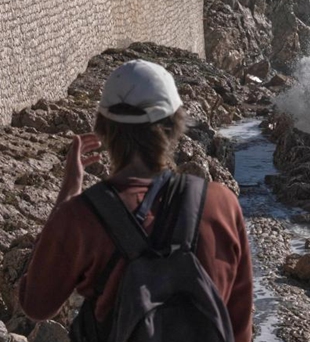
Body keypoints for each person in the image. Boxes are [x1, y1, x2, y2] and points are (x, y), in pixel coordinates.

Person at [17, 59, 253, 342]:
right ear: (175, 124)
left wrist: (67, 197)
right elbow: (240, 327)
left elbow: (36, 305)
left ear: (103, 129)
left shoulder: (82, 217)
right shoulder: (221, 204)